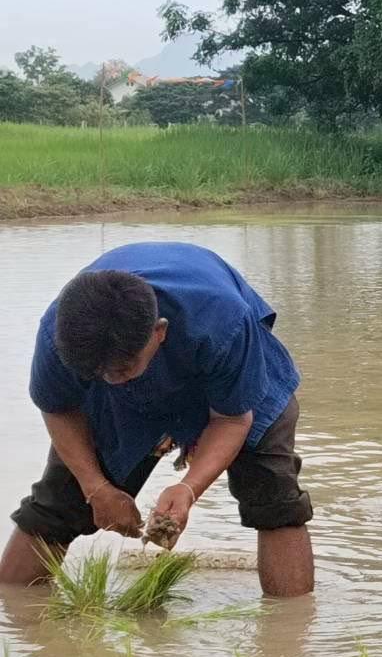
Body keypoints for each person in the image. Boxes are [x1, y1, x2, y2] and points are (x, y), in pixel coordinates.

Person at [0, 242, 314, 598]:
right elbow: (58, 408)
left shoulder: (222, 321)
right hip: (116, 401)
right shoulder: (59, 335)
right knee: (60, 503)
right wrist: (95, 487)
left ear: (159, 332)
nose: (111, 380)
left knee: (273, 495)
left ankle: (290, 637)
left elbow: (231, 419)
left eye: (122, 369)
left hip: (222, 373)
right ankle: (14, 619)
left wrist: (188, 489)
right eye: (97, 373)